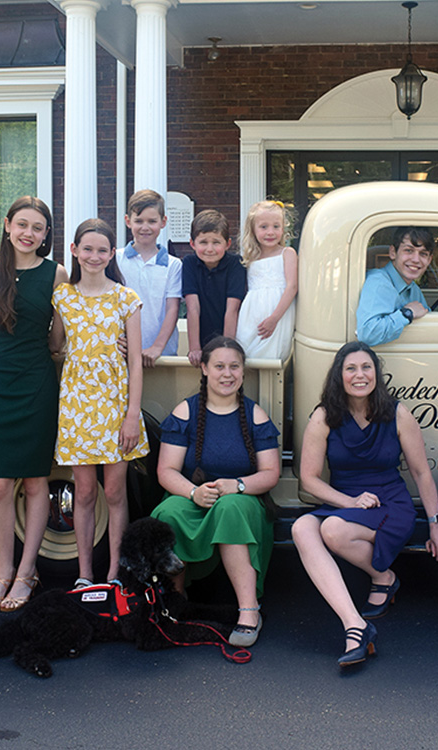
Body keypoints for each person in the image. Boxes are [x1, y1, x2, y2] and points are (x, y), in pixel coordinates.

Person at [293, 341, 438, 667]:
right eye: (351, 368)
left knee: (333, 529)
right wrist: (349, 501)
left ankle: (382, 578)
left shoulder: (397, 413)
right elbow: (309, 479)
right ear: (340, 375)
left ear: (377, 372)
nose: (359, 375)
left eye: (366, 367)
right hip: (348, 501)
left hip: (391, 502)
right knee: (302, 527)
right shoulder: (324, 416)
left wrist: (435, 524)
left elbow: (420, 472)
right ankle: (355, 624)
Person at [150, 336, 280, 648]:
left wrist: (237, 485)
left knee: (229, 508)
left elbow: (271, 473)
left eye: (234, 366)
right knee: (168, 512)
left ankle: (249, 611)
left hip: (244, 501)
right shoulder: (186, 412)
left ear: (243, 371)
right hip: (197, 496)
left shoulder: (255, 415)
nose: (227, 373)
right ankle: (175, 601)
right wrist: (193, 493)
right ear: (205, 369)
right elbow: (166, 471)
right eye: (219, 366)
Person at [0, 197, 68, 614]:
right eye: (22, 224)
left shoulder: (56, 273)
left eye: (38, 228)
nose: (29, 233)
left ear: (47, 235)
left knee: (34, 482)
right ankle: (2, 572)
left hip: (37, 383)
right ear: (8, 225)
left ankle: (27, 573)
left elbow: (59, 338)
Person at [51, 218, 149, 589]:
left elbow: (136, 360)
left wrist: (132, 415)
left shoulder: (126, 298)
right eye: (87, 249)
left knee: (114, 491)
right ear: (75, 251)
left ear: (112, 254)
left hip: (115, 406)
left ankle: (114, 573)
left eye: (102, 250)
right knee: (85, 491)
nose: (94, 256)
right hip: (77, 406)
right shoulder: (63, 297)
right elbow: (56, 345)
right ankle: (84, 573)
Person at [117, 189, 182, 368]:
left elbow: (172, 309)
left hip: (162, 356)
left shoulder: (173, 265)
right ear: (128, 221)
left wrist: (157, 347)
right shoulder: (116, 259)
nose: (145, 227)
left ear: (163, 222)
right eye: (139, 221)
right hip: (122, 354)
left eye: (152, 221)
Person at [234, 200, 298, 360]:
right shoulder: (251, 257)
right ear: (253, 230)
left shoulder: (287, 253)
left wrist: (274, 318)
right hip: (251, 314)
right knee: (247, 353)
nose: (270, 232)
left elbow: (292, 287)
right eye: (264, 227)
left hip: (277, 313)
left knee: (270, 356)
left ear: (283, 228)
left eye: (276, 226)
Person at [182, 210, 246, 366]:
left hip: (231, 336)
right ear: (192, 244)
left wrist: (227, 350)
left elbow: (232, 309)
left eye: (216, 242)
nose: (209, 249)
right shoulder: (189, 263)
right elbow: (193, 308)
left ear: (228, 244)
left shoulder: (236, 264)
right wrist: (194, 348)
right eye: (203, 242)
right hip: (202, 337)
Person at [355, 226, 434, 346]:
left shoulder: (413, 289)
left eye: (423, 254)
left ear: (429, 260)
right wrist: (407, 313)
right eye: (408, 250)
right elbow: (368, 334)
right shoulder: (378, 282)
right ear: (393, 252)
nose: (416, 259)